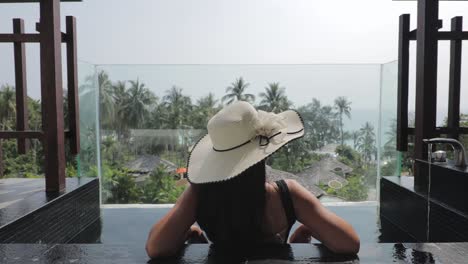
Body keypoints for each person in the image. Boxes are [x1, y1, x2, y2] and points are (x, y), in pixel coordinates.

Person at [145, 101, 360, 258]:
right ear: (261, 156)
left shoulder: (200, 193)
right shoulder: (287, 195)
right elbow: (348, 243)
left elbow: (156, 248)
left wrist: (188, 230)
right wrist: (311, 227)